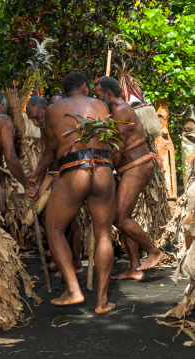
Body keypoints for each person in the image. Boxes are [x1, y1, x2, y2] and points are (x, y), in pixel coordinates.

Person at [41, 72, 116, 314]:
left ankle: (73, 290)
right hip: (104, 169)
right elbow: (113, 142)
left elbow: (52, 148)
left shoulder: (54, 108)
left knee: (53, 228)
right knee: (104, 234)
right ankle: (102, 302)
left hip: (75, 169)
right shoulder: (102, 105)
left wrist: (37, 173)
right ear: (85, 86)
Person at [94, 76, 164, 280]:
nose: (98, 100)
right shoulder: (116, 112)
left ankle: (153, 251)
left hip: (137, 167)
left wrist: (106, 168)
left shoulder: (121, 110)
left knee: (119, 217)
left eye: (99, 96)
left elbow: (118, 147)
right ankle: (134, 267)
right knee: (124, 217)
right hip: (130, 168)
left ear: (108, 94)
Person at [26, 96, 83, 277]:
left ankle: (74, 262)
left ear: (45, 108)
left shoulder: (62, 120)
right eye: (32, 120)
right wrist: (37, 175)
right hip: (55, 173)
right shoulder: (45, 126)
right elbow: (49, 154)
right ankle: (60, 259)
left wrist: (63, 174)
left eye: (37, 117)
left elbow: (72, 149)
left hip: (71, 172)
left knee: (67, 220)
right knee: (44, 214)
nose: (35, 122)